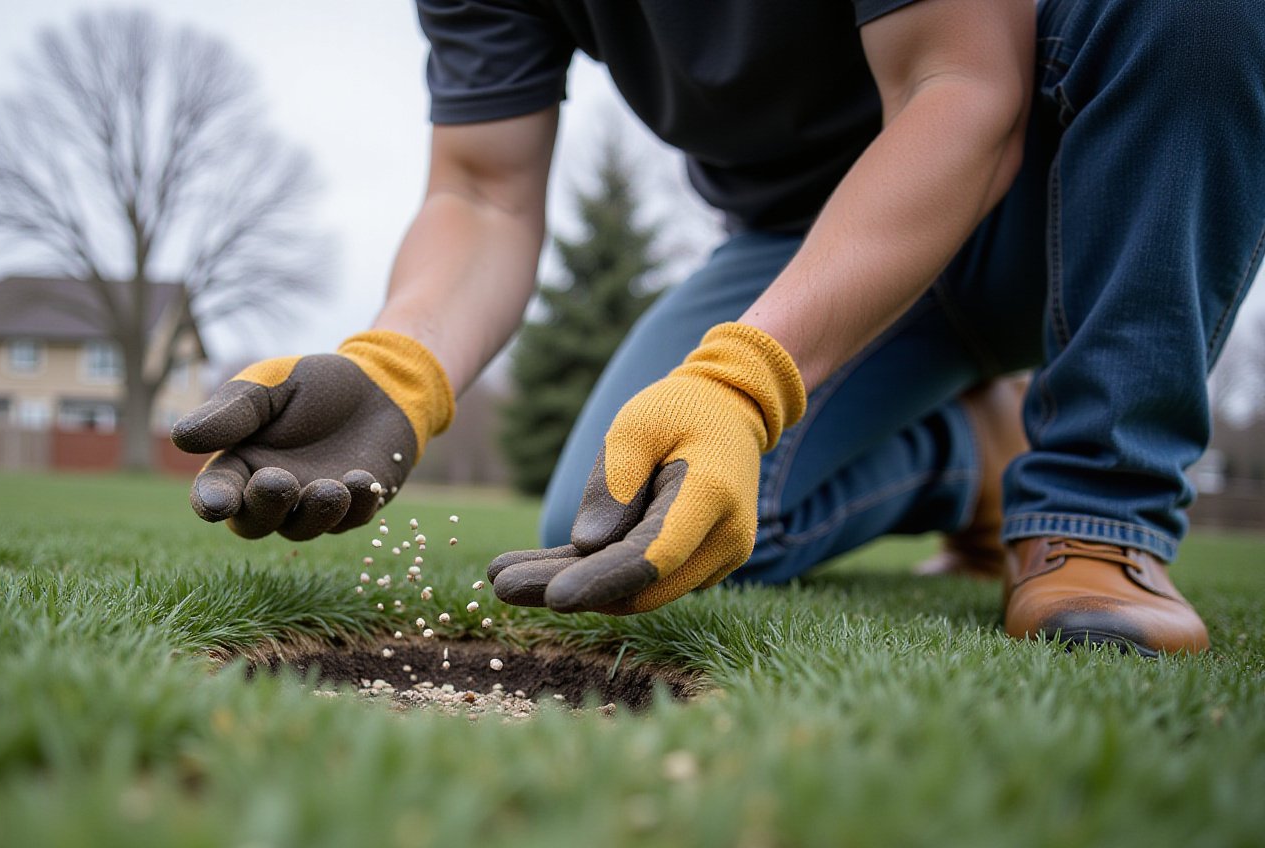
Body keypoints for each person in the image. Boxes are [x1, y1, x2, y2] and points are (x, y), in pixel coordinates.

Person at [171, 0, 1265, 656]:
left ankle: (1093, 507)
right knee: (609, 520)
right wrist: (399, 364)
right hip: (804, 240)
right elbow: (484, 190)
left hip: (1072, 182)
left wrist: (745, 380)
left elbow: (962, 86)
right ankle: (966, 458)